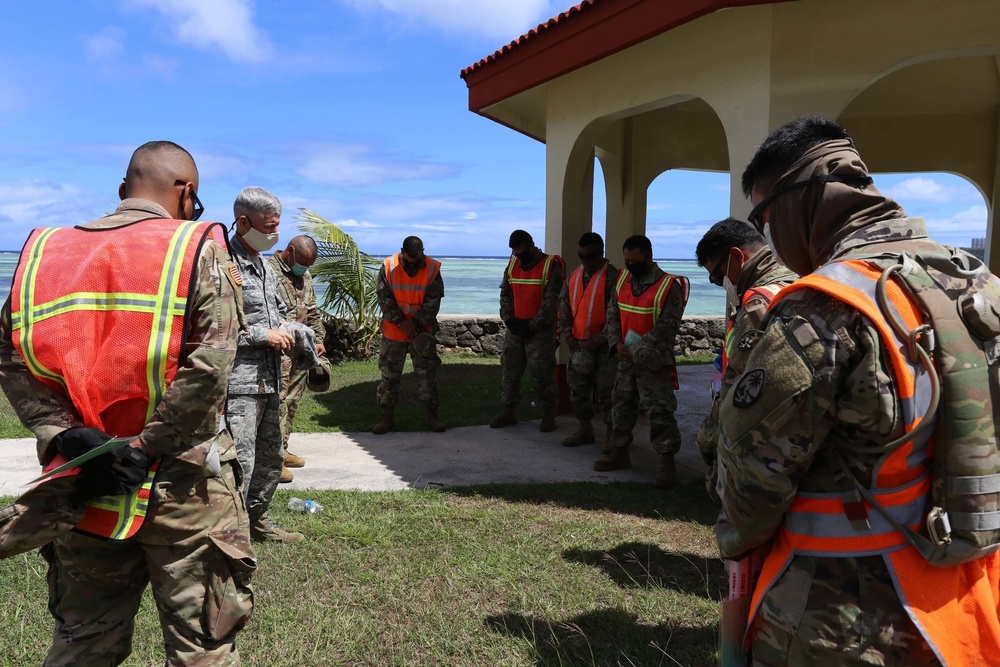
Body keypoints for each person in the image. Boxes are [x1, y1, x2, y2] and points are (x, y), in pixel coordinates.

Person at [717, 116, 1000, 665]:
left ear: (801, 198)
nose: (769, 234)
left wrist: (733, 538)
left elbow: (750, 486)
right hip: (964, 604)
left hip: (840, 618)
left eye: (765, 215)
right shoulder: (978, 284)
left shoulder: (822, 306)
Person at [0, 141, 254, 664]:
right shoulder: (196, 246)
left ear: (122, 190)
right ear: (187, 194)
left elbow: (11, 351)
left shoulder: (45, 251)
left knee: (84, 643)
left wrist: (60, 432)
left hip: (84, 481)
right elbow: (210, 366)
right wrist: (142, 448)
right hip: (184, 488)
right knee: (200, 648)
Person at [694, 218, 795, 501]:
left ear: (737, 257)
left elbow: (737, 388)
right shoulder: (794, 284)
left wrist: (709, 436)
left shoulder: (758, 302)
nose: (719, 284)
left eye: (717, 276)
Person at [227, 186, 303, 544]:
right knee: (239, 462)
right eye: (268, 227)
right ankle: (232, 532)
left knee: (271, 457)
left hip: (272, 379)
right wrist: (263, 336)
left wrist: (295, 330)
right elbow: (214, 327)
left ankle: (258, 521)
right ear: (243, 222)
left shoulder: (264, 265)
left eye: (277, 227)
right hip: (239, 384)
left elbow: (280, 313)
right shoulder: (223, 263)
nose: (275, 234)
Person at [593, 235, 688, 488]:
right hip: (625, 358)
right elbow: (613, 313)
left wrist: (634, 349)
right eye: (627, 260)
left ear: (649, 257)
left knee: (659, 413)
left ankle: (667, 464)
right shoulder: (623, 280)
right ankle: (619, 452)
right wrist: (616, 343)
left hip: (652, 363)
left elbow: (667, 328)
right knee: (621, 406)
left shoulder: (669, 286)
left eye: (635, 261)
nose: (630, 265)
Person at [491, 230, 565, 432]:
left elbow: (552, 302)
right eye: (515, 253)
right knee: (509, 371)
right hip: (516, 328)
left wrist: (531, 326)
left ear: (531, 245)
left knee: (542, 374)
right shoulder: (513, 263)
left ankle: (548, 414)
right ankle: (508, 410)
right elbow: (505, 294)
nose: (518, 256)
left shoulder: (551, 265)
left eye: (521, 252)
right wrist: (509, 320)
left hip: (539, 331)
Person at [268, 235, 327, 482]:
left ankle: (282, 448)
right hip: (278, 351)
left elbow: (311, 310)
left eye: (309, 265)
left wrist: (320, 338)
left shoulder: (304, 275)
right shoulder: (267, 272)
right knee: (276, 403)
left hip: (301, 351)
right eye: (302, 262)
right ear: (290, 251)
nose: (305, 268)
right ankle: (272, 459)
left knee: (291, 403)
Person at [372, 236, 445, 434]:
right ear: (402, 252)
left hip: (421, 332)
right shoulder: (388, 266)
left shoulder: (432, 268)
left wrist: (414, 322)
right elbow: (383, 297)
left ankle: (432, 417)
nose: (414, 262)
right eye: (410, 259)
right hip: (394, 332)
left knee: (426, 376)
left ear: (423, 251)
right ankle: (387, 419)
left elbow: (433, 301)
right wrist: (401, 322)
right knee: (389, 377)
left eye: (418, 258)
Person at [557, 232, 620, 448]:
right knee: (578, 392)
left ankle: (612, 437)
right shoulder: (574, 276)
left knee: (608, 394)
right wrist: (567, 335)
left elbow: (617, 314)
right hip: (578, 346)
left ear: (600, 253)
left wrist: (601, 338)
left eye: (590, 256)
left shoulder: (614, 278)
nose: (585, 260)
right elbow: (564, 306)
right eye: (581, 256)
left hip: (604, 349)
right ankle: (584, 430)